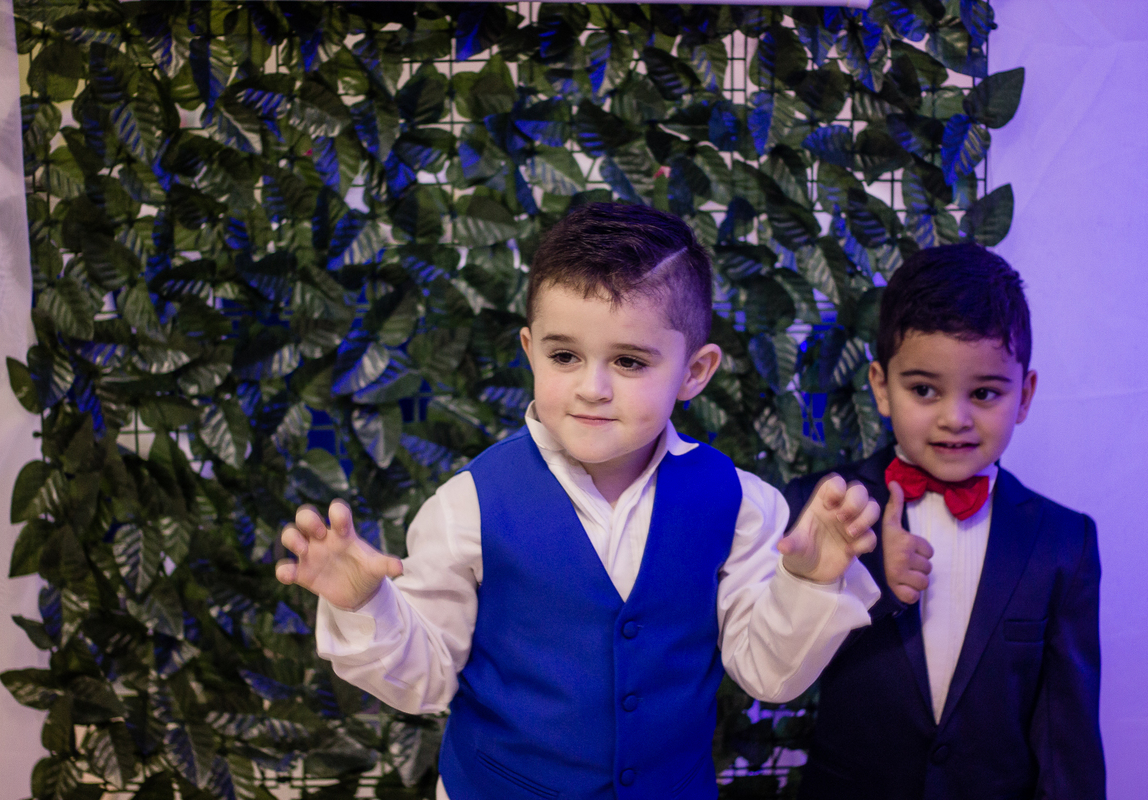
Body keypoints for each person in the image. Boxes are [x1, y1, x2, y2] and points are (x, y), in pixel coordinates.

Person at [276, 202, 882, 800]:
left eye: (629, 361)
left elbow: (769, 677)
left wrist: (809, 584)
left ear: (694, 372)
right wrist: (365, 606)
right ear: (530, 349)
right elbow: (425, 683)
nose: (592, 388)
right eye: (564, 356)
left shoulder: (741, 504)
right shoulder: (467, 507)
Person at [784, 243, 1104, 799]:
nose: (955, 418)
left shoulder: (1063, 541)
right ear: (881, 387)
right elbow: (778, 666)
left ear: (1024, 395)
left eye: (984, 393)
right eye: (924, 389)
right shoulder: (820, 510)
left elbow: (1067, 738)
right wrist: (868, 581)